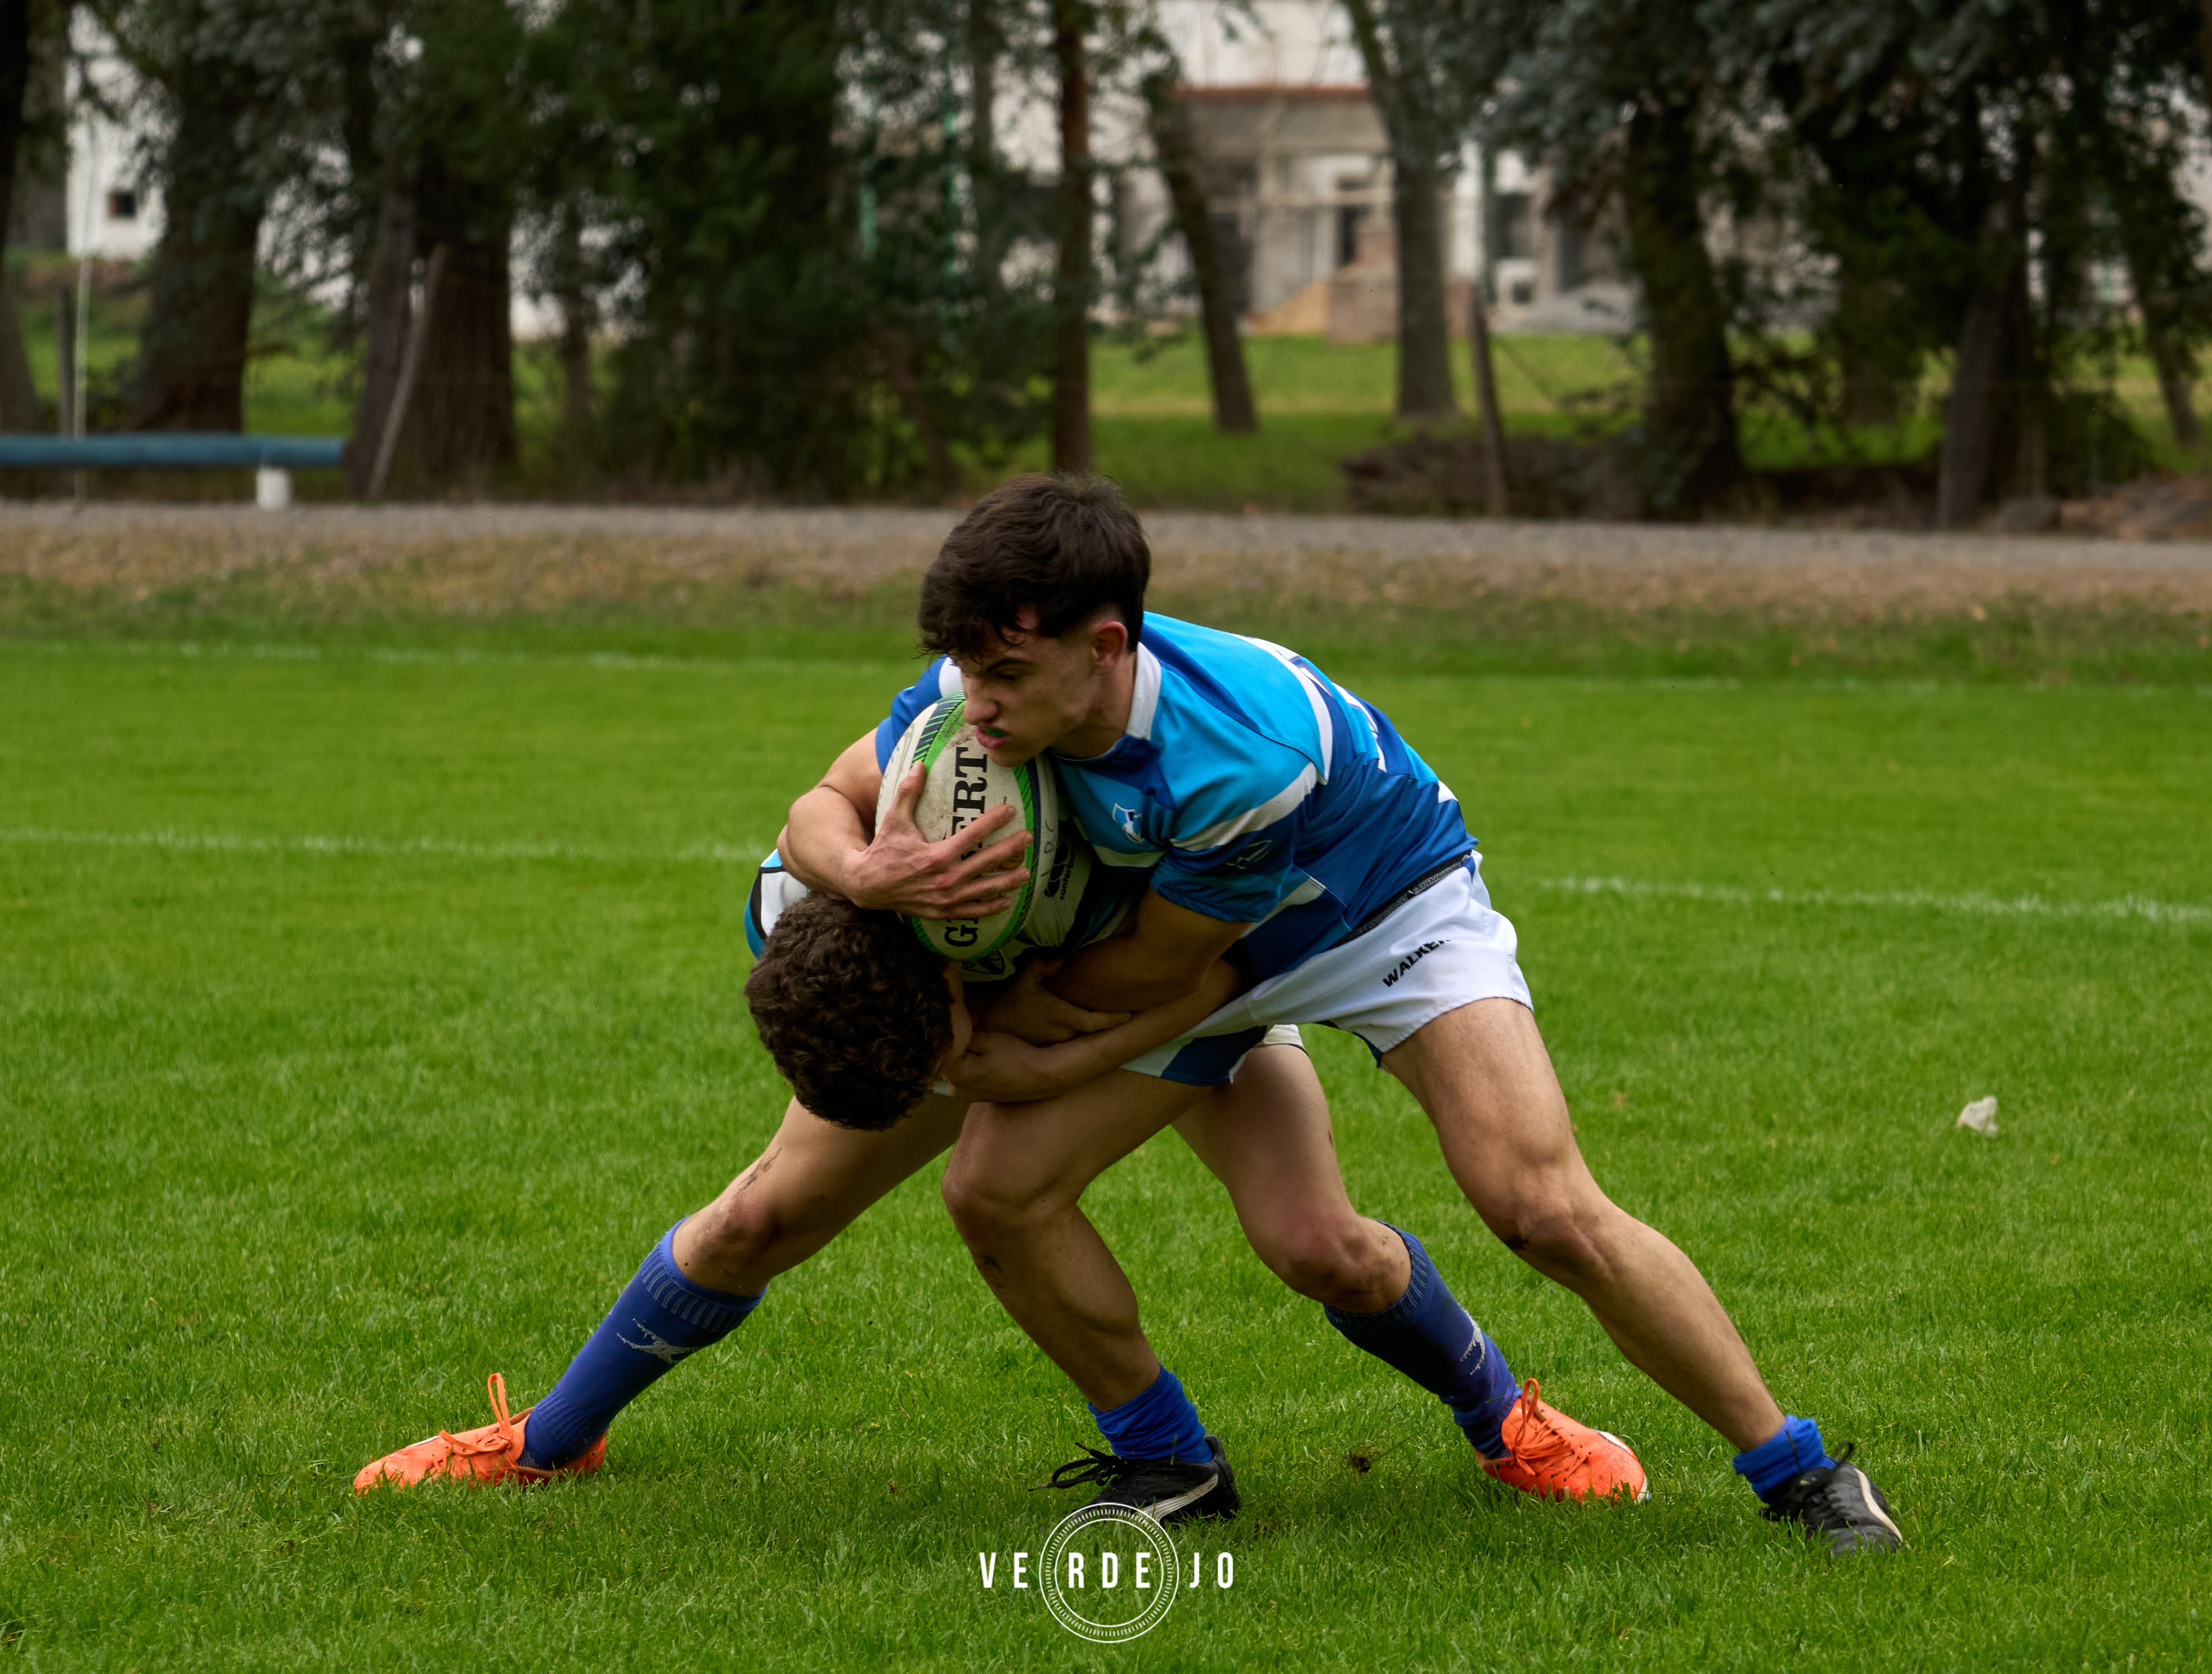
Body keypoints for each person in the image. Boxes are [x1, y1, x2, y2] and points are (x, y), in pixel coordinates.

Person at [779, 473, 1901, 1555]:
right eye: (966, 666)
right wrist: (871, 879)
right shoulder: (979, 694)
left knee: (1538, 1205)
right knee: (997, 1192)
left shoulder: (1235, 754)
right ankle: (1171, 1463)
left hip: (1376, 906)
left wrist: (1016, 1047)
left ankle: (1798, 1469)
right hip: (1198, 938)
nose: (975, 702)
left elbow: (1165, 974)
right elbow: (816, 812)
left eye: (1005, 673)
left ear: (1107, 646)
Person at [353, 711, 1622, 1517]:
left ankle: (1507, 1420)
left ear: (955, 987)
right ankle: (547, 1444)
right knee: (761, 1213)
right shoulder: (816, 941)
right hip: (1004, 1001)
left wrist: (1078, 1035)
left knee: (1313, 1239)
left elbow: (1190, 950)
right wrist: (954, 1036)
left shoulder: (972, 781)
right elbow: (815, 820)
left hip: (1172, 976)